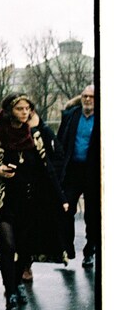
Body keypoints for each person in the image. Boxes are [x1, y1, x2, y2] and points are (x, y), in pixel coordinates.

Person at [0, 93, 69, 310]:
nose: (25, 113)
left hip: (31, 201)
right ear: (8, 111)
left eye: (28, 109)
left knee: (25, 248)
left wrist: (61, 198)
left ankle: (16, 283)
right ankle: (10, 293)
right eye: (20, 109)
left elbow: (47, 169)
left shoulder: (34, 136)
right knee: (7, 245)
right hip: (4, 200)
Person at [57, 84, 98, 268]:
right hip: (72, 170)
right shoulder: (71, 116)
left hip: (93, 172)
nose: (87, 99)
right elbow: (59, 142)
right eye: (84, 96)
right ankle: (67, 247)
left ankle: (90, 250)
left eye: (91, 96)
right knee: (66, 209)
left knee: (93, 214)